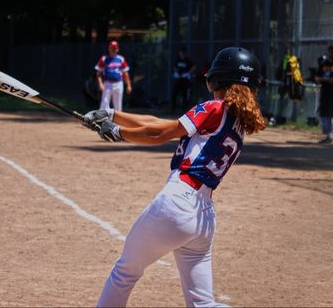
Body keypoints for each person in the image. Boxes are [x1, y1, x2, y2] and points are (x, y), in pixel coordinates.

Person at [83, 47, 266, 307]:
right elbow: (159, 122)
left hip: (178, 203)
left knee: (125, 272)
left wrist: (118, 133)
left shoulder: (214, 108)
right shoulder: (236, 123)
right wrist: (112, 115)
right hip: (203, 218)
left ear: (219, 81)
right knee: (203, 304)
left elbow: (159, 134)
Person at [95, 40, 132, 111]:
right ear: (108, 48)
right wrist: (100, 84)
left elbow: (125, 73)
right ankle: (100, 121)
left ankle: (117, 121)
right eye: (112, 48)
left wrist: (129, 85)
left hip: (118, 83)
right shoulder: (104, 58)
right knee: (104, 103)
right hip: (107, 83)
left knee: (118, 104)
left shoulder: (120, 59)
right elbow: (98, 73)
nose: (113, 50)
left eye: (115, 48)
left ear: (117, 49)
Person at [171, 46, 196, 112]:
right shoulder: (178, 60)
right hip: (178, 80)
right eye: (180, 52)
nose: (181, 53)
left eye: (182, 52)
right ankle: (173, 109)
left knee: (184, 95)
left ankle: (183, 110)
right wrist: (176, 72)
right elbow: (175, 67)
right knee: (174, 94)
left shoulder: (187, 60)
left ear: (184, 53)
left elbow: (194, 67)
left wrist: (188, 73)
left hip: (185, 80)